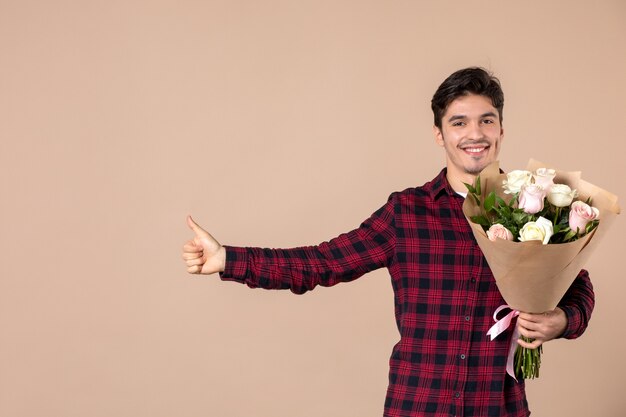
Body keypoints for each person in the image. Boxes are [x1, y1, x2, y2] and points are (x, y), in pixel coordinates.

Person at [181, 67, 594, 417]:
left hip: (498, 407)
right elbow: (321, 262)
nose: (475, 134)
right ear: (439, 134)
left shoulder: (536, 209)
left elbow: (577, 286)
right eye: (459, 122)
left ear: (501, 129)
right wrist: (228, 259)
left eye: (487, 120)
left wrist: (562, 322)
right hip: (416, 405)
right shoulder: (406, 213)